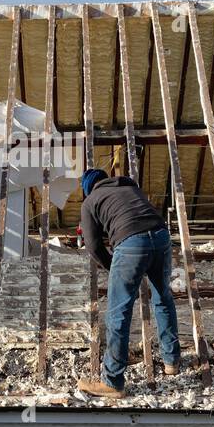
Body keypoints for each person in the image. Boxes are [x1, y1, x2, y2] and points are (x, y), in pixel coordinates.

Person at [75, 168, 180, 398]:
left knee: (118, 312)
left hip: (131, 242)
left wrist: (112, 265)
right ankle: (171, 361)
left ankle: (112, 381)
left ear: (87, 188)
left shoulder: (91, 201)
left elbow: (92, 245)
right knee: (163, 297)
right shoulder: (131, 187)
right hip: (161, 236)